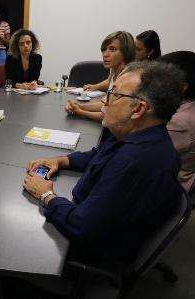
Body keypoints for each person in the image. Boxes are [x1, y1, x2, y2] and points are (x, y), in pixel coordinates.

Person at [24, 61, 184, 263]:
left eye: (114, 94)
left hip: (90, 250)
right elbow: (98, 154)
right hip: (92, 219)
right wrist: (62, 160)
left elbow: (81, 226)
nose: (105, 102)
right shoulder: (140, 135)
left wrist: (46, 194)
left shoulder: (135, 161)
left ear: (138, 109)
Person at [66, 31, 135, 122]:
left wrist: (79, 112)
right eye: (104, 49)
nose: (105, 54)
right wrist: (80, 106)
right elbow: (106, 105)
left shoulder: (127, 79)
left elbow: (109, 117)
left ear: (126, 53)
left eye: (112, 49)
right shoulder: (115, 73)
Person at [159, 51, 195, 194]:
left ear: (182, 86)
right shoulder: (187, 106)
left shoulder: (179, 121)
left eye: (160, 78)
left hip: (171, 189)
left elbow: (145, 158)